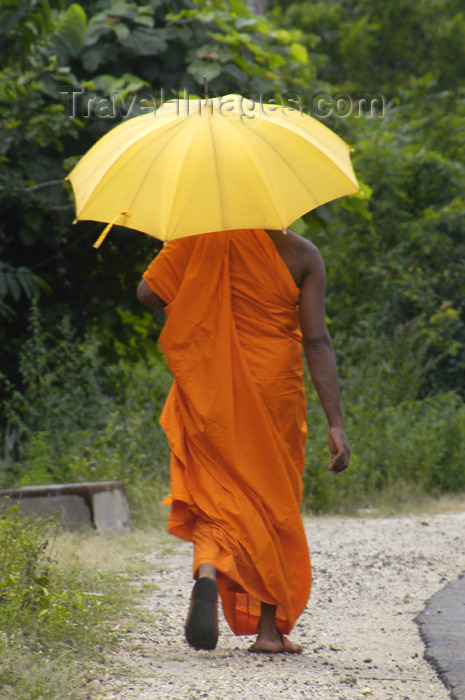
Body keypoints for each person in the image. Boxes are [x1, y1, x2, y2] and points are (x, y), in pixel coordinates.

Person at [137, 227, 350, 654]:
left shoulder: (195, 239)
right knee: (272, 501)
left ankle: (208, 572)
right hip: (274, 386)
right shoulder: (302, 254)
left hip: (208, 383)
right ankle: (269, 632)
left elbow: (147, 292)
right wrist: (336, 423)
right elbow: (315, 339)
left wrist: (198, 316)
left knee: (215, 491)